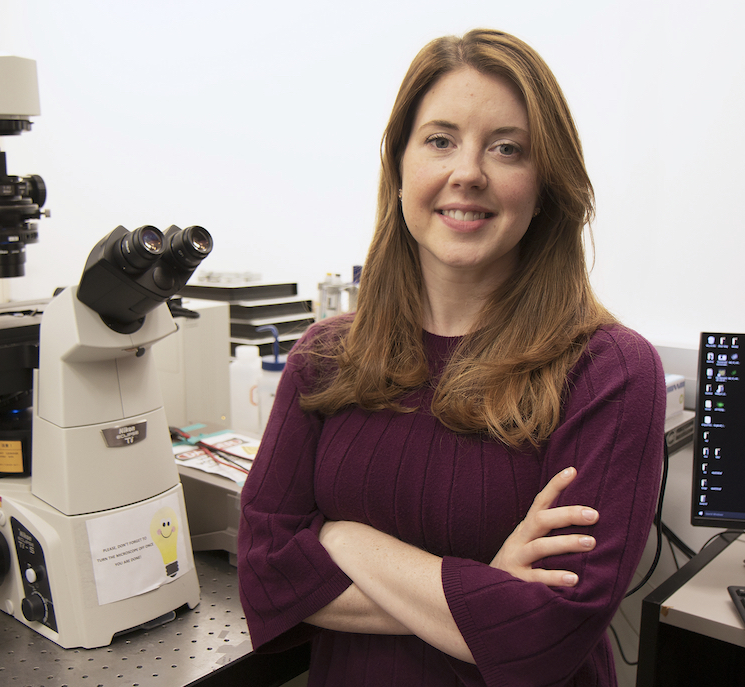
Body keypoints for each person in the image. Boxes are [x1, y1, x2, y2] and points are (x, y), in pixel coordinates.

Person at [236, 28, 665, 687]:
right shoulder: (324, 358)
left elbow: (548, 632)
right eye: (440, 140)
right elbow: (265, 581)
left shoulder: (608, 371)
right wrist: (487, 591)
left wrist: (347, 542)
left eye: (507, 148)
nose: (468, 171)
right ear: (401, 168)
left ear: (545, 183)